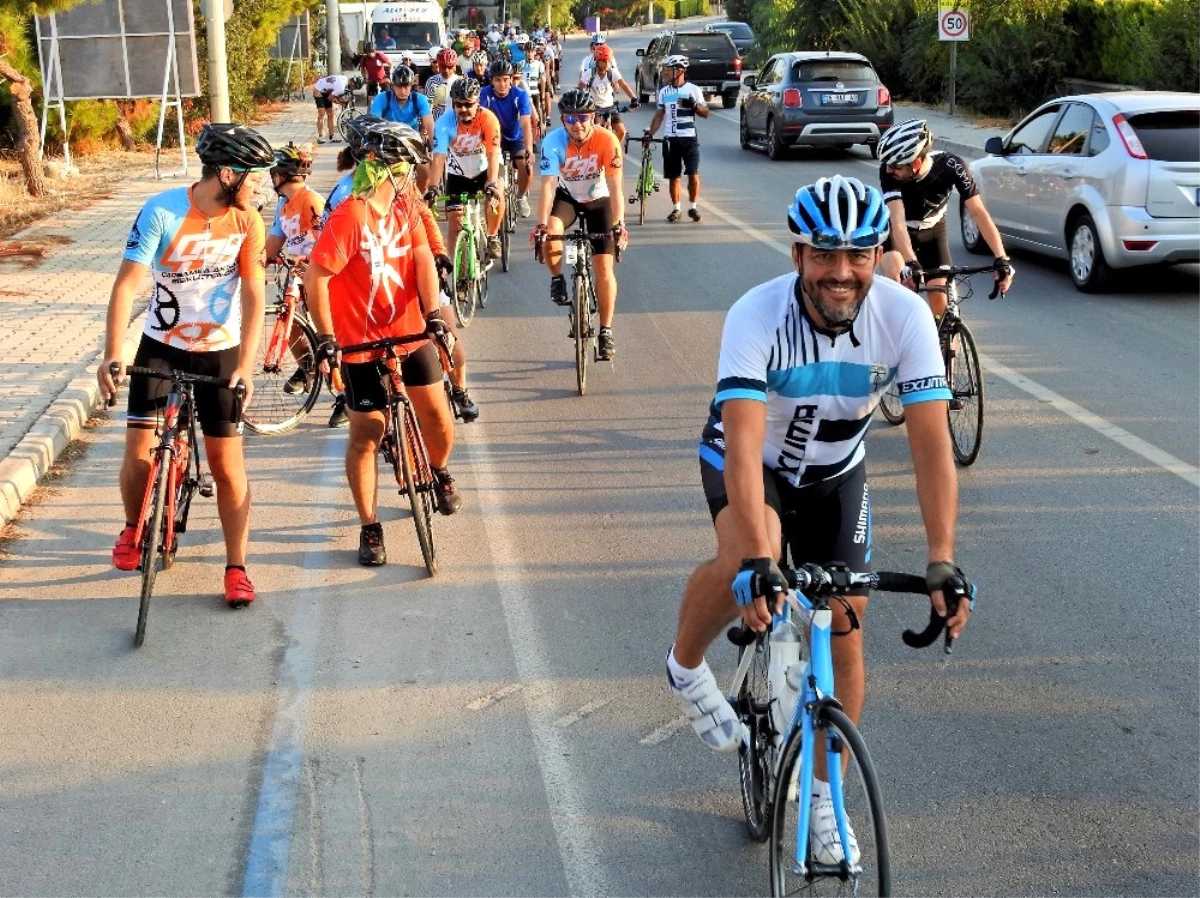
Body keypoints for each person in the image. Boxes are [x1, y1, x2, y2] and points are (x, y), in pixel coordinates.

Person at [667, 174, 972, 865]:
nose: (842, 273)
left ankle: (825, 799)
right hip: (753, 461)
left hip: (836, 470)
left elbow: (930, 442)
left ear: (875, 257)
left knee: (845, 625)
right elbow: (743, 445)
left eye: (858, 256)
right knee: (747, 556)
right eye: (824, 256)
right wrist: (756, 559)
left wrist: (941, 556)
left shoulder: (903, 316)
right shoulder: (756, 314)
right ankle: (685, 667)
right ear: (797, 254)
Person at [98, 123, 274, 607]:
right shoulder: (161, 211)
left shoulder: (249, 221)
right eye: (254, 176)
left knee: (226, 465)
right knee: (138, 451)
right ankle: (135, 526)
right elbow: (126, 286)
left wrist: (247, 365)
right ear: (227, 173)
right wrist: (113, 353)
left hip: (220, 349)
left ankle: (236, 566)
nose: (260, 185)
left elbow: (256, 294)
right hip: (162, 344)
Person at [305, 122, 463, 567]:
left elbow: (421, 260)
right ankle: (369, 525)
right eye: (404, 168)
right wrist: (325, 337)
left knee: (437, 415)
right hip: (359, 342)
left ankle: (439, 471)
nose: (411, 176)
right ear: (384, 168)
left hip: (409, 329)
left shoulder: (407, 206)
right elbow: (315, 277)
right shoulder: (350, 216)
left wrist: (432, 313)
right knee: (366, 435)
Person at [876, 119, 1014, 317]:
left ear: (915, 162)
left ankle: (949, 345)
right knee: (899, 289)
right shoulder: (888, 173)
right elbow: (897, 222)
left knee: (944, 305)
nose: (889, 169)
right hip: (897, 234)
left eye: (895, 166)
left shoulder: (952, 166)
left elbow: (978, 212)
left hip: (933, 232)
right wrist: (911, 262)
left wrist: (1001, 258)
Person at [532, 88, 626, 361]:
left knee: (603, 267)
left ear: (593, 117)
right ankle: (558, 278)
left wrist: (618, 223)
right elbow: (548, 187)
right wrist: (540, 226)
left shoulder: (607, 140)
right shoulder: (553, 141)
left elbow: (616, 187)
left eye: (583, 117)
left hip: (599, 200)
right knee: (551, 233)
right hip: (568, 197)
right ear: (562, 120)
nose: (577, 124)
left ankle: (606, 331)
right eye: (570, 119)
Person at [426, 78, 504, 261]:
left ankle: (492, 237)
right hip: (458, 173)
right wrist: (433, 187)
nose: (463, 109)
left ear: (477, 102)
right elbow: (438, 158)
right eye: (458, 104)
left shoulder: (488, 118)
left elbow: (493, 155)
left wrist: (491, 183)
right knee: (454, 223)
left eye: (468, 104)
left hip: (485, 168)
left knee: (498, 190)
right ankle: (454, 271)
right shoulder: (445, 122)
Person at [644, 55, 708, 223]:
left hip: (689, 138)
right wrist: (650, 133)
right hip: (671, 139)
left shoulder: (693, 90)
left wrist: (693, 106)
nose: (667, 73)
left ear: (680, 71)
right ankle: (676, 208)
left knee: (693, 174)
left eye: (670, 70)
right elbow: (659, 115)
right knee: (674, 176)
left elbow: (705, 113)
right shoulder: (664, 91)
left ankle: (693, 207)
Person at [479, 59, 534, 218]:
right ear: (492, 81)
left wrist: (529, 150)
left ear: (511, 79)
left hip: (515, 137)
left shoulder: (520, 95)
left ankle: (521, 197)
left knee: (525, 164)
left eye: (505, 79)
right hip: (493, 138)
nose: (502, 84)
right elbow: (482, 120)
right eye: (498, 80)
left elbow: (525, 123)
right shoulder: (485, 94)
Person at [370, 64, 435, 188]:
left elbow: (429, 123)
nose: (403, 91)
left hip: (413, 142)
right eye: (399, 87)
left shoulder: (419, 99)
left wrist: (433, 147)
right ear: (392, 86)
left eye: (406, 86)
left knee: (425, 174)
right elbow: (374, 122)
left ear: (412, 86)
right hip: (388, 142)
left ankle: (419, 200)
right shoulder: (382, 98)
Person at [579, 45, 637, 144]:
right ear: (597, 61)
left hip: (610, 108)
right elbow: (580, 87)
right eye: (604, 61)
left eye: (609, 61)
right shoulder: (589, 73)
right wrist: (581, 101)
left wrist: (633, 98)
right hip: (595, 108)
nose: (606, 64)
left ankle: (614, 151)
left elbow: (624, 85)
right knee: (596, 131)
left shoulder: (612, 73)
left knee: (622, 131)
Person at [312, 73, 350, 144]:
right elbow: (330, 98)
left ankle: (332, 135)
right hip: (318, 90)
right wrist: (340, 103)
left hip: (326, 91)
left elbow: (335, 96)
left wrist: (340, 101)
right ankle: (320, 136)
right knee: (322, 113)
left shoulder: (345, 79)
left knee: (330, 113)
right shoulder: (341, 87)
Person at [425, 47, 462, 119]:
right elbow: (428, 107)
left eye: (450, 67)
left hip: (456, 122)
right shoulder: (432, 81)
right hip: (437, 122)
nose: (446, 70)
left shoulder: (460, 82)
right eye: (443, 66)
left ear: (455, 66)